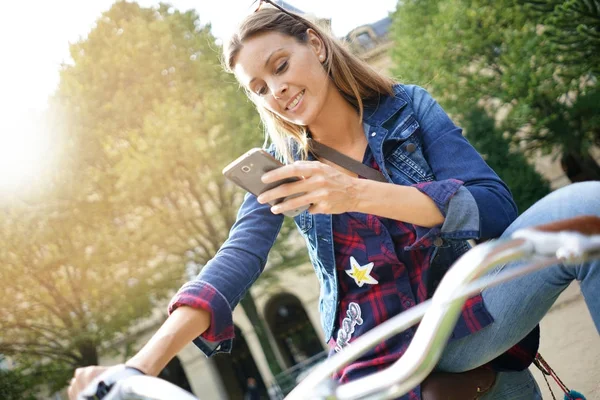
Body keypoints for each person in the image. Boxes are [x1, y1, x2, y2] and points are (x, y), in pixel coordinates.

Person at [68, 2, 600, 399]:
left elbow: (495, 208)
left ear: (315, 45)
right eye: (257, 87)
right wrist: (137, 368)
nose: (274, 90)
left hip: (458, 314)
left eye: (279, 65)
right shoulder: (283, 169)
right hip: (372, 348)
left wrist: (359, 193)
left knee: (589, 207)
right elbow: (234, 260)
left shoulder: (407, 107)